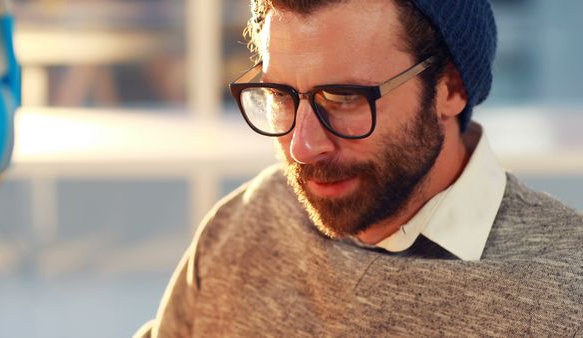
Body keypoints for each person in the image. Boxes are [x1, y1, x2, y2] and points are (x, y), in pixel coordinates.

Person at [134, 0, 583, 336]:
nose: (304, 147)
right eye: (279, 95)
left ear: (450, 87)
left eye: (344, 97)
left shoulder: (565, 298)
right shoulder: (244, 223)